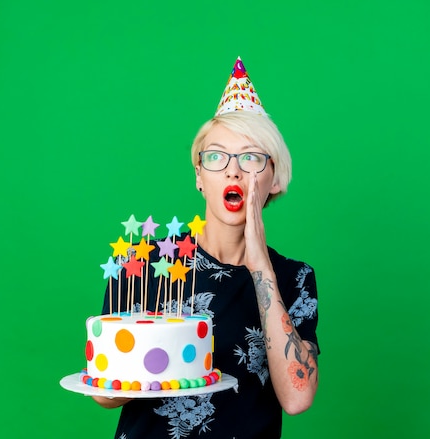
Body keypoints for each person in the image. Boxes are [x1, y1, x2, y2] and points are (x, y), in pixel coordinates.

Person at [93, 57, 319, 439]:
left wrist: (260, 266)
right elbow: (104, 395)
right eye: (215, 157)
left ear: (275, 179)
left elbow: (297, 399)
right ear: (199, 176)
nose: (232, 170)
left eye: (251, 157)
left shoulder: (294, 278)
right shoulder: (146, 263)